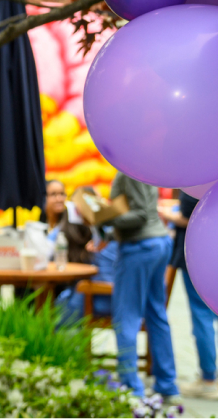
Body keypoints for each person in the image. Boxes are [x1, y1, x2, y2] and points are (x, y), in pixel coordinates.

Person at [109, 171, 179, 400]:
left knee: (126, 317)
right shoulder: (143, 164)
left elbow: (138, 215)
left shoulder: (129, 169)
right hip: (157, 243)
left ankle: (131, 389)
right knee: (156, 314)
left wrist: (103, 217)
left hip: (139, 246)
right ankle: (167, 385)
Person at [160, 191, 218, 399]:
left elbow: (189, 217)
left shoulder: (195, 184)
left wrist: (169, 215)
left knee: (201, 315)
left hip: (198, 256)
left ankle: (209, 378)